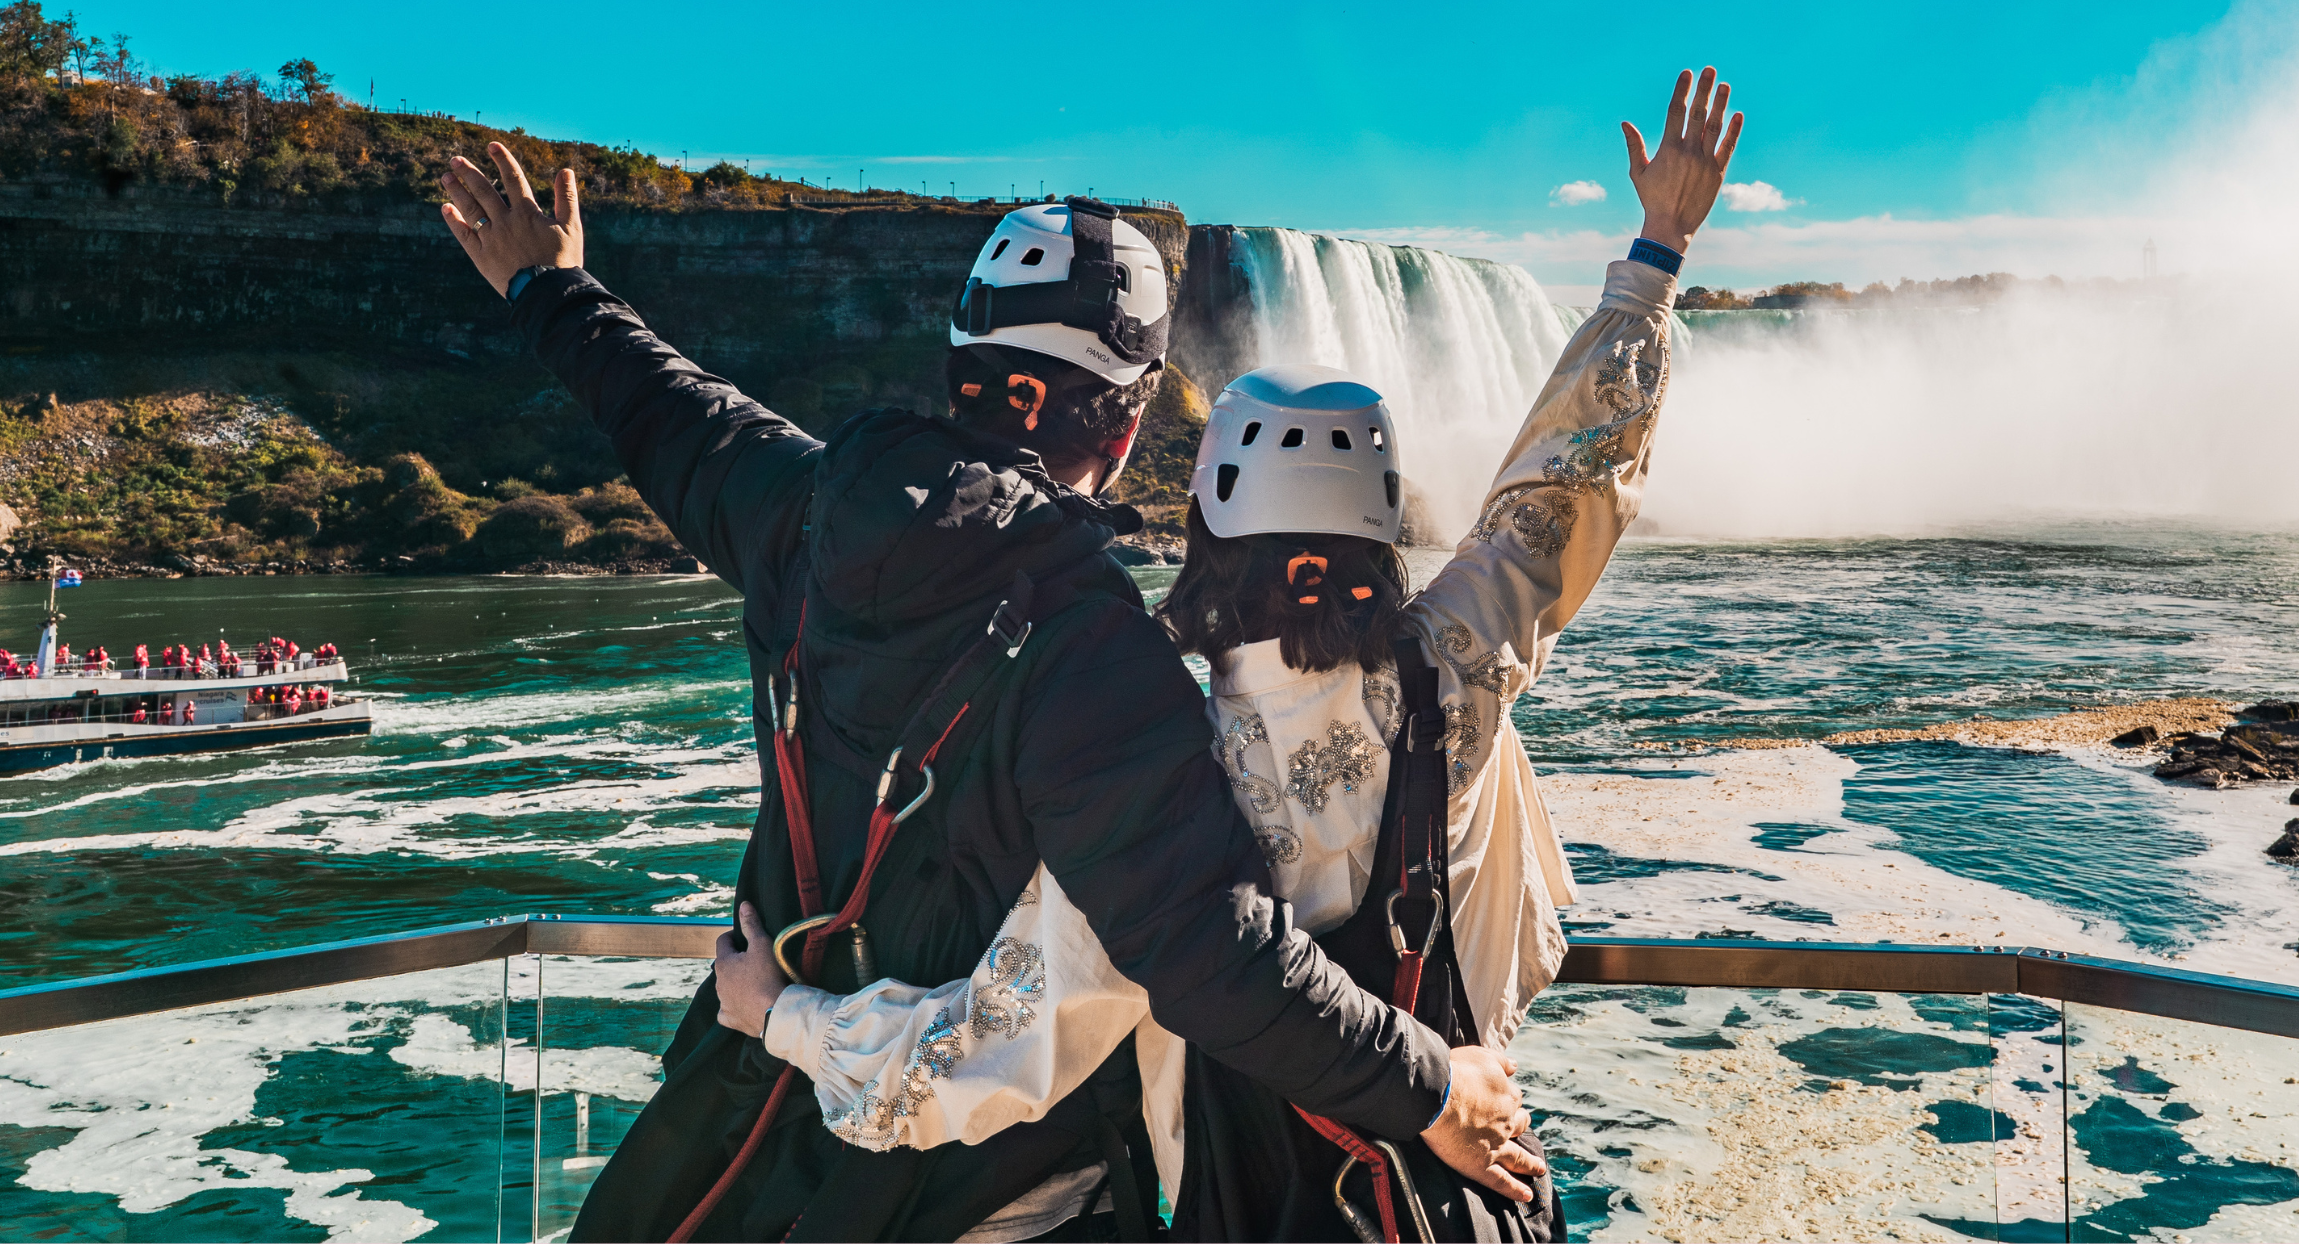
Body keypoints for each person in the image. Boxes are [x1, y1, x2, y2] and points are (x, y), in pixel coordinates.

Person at [439, 143, 1539, 1242]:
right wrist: (1434, 1090)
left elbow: (665, 411)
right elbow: (1216, 955)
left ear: (964, 360)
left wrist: (554, 287)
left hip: (768, 1136)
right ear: (1128, 417)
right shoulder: (1106, 658)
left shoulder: (800, 508)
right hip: (1005, 1196)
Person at [1149, 67, 1739, 1242]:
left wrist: (792, 1017)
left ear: (1213, 526)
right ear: (1376, 524)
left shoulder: (1150, 728)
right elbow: (1560, 488)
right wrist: (1658, 250)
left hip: (1240, 1183)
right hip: (1446, 1167)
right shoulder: (1448, 668)